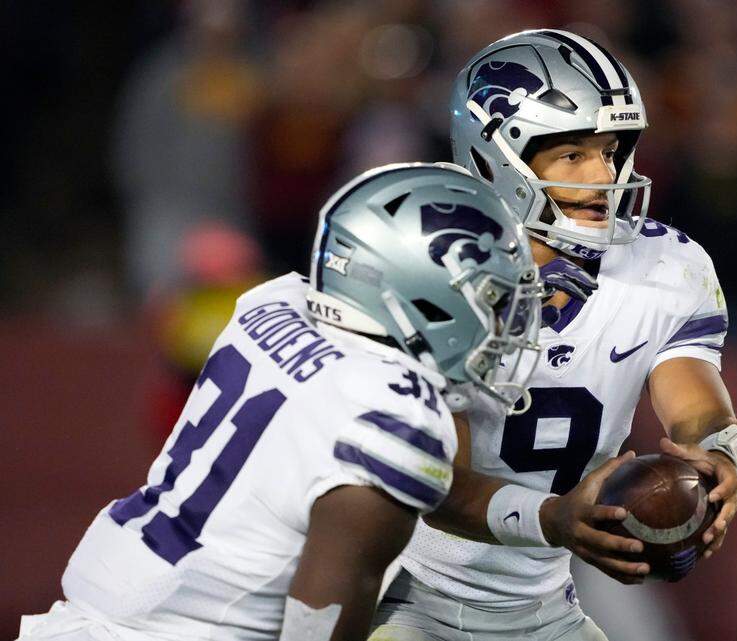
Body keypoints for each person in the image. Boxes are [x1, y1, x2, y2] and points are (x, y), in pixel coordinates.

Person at [17, 163, 543, 641]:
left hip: (91, 616)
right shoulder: (395, 418)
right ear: (421, 293)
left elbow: (419, 486)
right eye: (492, 301)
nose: (506, 327)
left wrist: (550, 516)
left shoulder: (272, 302)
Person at [371, 30, 737, 641]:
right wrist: (554, 519)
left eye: (611, 150)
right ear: (499, 158)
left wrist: (721, 457)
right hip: (403, 598)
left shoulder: (664, 265)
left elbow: (696, 403)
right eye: (572, 155)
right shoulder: (432, 265)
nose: (605, 174)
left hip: (546, 609)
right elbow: (437, 485)